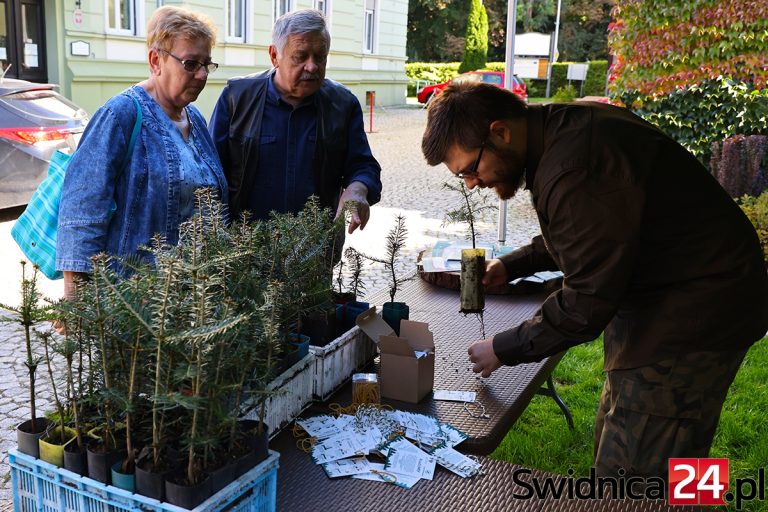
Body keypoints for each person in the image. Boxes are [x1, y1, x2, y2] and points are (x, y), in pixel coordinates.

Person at [421, 81, 768, 479]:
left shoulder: (575, 165)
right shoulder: (560, 131)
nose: (471, 183)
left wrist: (504, 347)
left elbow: (587, 302)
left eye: (469, 169)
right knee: (671, 447)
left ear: (500, 132)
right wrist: (512, 265)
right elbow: (591, 230)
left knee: (631, 478)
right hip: (685, 293)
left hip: (695, 313)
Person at [57, 5, 227, 298]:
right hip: (136, 306)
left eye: (206, 64)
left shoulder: (195, 118)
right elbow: (82, 212)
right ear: (156, 60)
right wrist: (77, 303)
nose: (201, 75)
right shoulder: (120, 114)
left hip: (194, 303)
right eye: (190, 63)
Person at [209, 8, 381, 236]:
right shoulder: (236, 97)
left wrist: (358, 189)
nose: (312, 66)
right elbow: (210, 171)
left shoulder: (343, 104)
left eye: (320, 57)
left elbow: (363, 165)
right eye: (300, 57)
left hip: (314, 249)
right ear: (274, 56)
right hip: (244, 250)